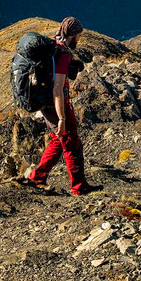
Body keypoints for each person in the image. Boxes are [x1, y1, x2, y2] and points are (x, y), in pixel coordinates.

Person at [23, 17, 99, 195]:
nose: (79, 39)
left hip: (44, 102)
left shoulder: (53, 45)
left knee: (59, 139)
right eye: (78, 35)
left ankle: (37, 177)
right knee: (71, 142)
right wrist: (62, 118)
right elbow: (57, 88)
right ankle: (79, 187)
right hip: (56, 104)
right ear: (72, 35)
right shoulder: (63, 54)